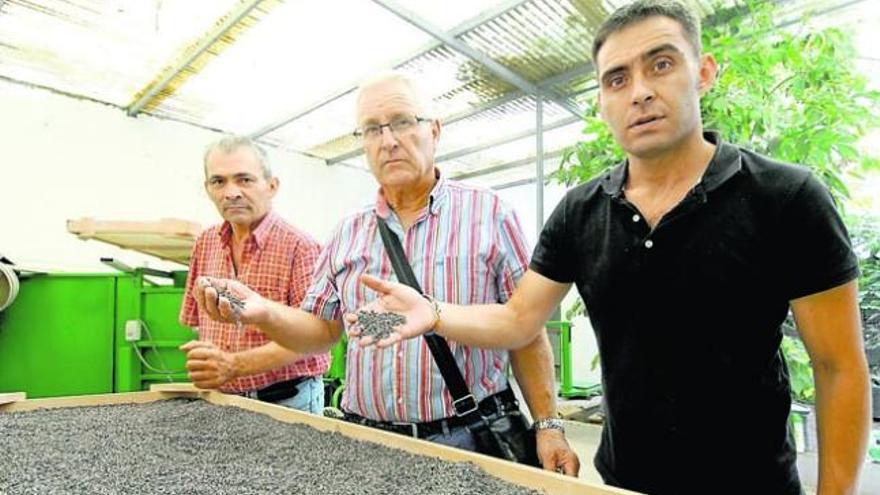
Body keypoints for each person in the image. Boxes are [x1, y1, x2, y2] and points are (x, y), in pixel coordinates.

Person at [348, 2, 871, 494]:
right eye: (617, 79)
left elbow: (838, 367)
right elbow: (518, 321)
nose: (639, 92)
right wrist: (433, 313)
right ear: (602, 101)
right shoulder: (582, 210)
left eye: (661, 64)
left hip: (752, 482)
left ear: (704, 72)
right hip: (623, 479)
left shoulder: (785, 197)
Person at [189, 72, 580, 475]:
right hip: (367, 443)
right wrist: (262, 311)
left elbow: (526, 330)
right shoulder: (348, 231)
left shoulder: (490, 214)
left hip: (467, 437)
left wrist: (548, 426)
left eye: (402, 122)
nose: (388, 140)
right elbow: (322, 332)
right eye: (372, 129)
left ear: (435, 130)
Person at [179, 135, 328, 413]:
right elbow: (196, 322)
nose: (231, 192)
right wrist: (208, 359)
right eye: (218, 181)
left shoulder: (302, 248)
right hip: (220, 401)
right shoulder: (205, 242)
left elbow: (314, 340)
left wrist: (233, 365)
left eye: (244, 180)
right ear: (207, 188)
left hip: (286, 403)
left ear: (272, 186)